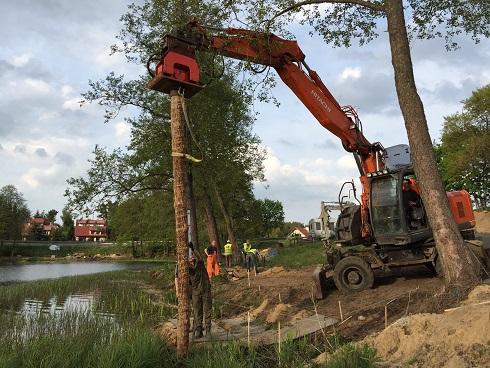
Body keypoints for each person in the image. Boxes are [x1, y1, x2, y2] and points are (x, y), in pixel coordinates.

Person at [175, 246, 212, 338]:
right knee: (197, 312)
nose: (191, 259)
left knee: (207, 311)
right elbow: (177, 276)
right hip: (196, 292)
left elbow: (199, 257)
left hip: (206, 290)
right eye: (189, 259)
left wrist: (193, 248)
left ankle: (208, 331)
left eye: (192, 258)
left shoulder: (199, 264)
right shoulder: (187, 270)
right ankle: (198, 330)